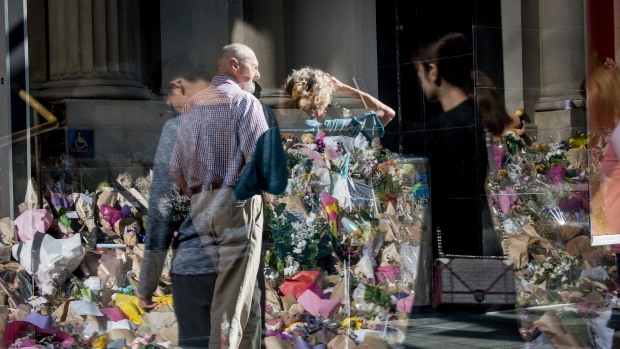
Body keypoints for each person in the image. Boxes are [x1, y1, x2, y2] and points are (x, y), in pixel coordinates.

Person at [169, 43, 268, 349]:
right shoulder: (245, 102)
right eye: (254, 66)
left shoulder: (192, 105)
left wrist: (200, 197)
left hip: (201, 205)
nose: (258, 73)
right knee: (234, 296)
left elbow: (176, 168)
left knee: (244, 290)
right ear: (235, 65)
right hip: (236, 203)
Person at [136, 54, 215, 347]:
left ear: (177, 85)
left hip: (198, 266)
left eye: (167, 96)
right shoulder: (247, 117)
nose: (169, 104)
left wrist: (147, 284)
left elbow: (163, 211)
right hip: (244, 263)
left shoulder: (180, 128)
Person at [411, 32, 511, 255]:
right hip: (476, 234)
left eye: (419, 71)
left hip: (465, 242)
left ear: (433, 71)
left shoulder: (453, 123)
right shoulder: (466, 116)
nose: (419, 79)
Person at [282, 67, 395, 127]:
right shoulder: (333, 129)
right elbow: (386, 114)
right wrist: (343, 88)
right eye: (328, 100)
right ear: (319, 106)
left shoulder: (275, 133)